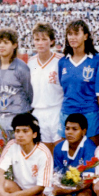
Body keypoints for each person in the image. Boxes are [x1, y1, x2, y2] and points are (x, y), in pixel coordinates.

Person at [58, 20, 99, 145]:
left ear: (85, 36)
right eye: (70, 34)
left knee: (91, 153)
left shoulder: (97, 61)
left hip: (89, 113)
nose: (72, 37)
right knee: (68, 153)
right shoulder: (63, 62)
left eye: (76, 34)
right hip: (67, 112)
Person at [52, 113, 97, 196]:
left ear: (83, 131)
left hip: (86, 188)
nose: (70, 132)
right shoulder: (59, 148)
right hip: (67, 189)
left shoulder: (89, 147)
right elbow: (57, 176)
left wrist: (67, 192)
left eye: (74, 129)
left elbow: (87, 182)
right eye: (67, 129)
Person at [0, 28, 33, 138]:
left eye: (6, 43)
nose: (1, 46)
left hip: (18, 119)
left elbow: (29, 94)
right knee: (2, 154)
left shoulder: (22, 68)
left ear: (14, 45)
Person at [27, 22, 64, 151]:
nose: (40, 43)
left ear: (52, 41)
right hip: (38, 112)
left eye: (44, 39)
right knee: (44, 153)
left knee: (60, 150)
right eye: (37, 39)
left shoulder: (61, 61)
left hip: (57, 111)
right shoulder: (30, 63)